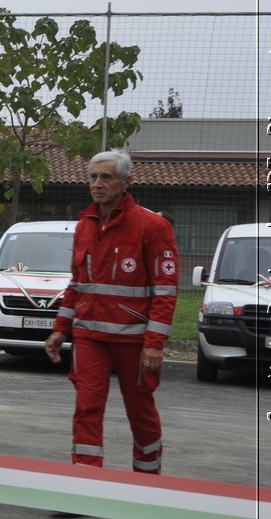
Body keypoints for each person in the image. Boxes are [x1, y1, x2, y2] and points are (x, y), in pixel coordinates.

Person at [45, 149, 177, 475]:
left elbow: (166, 290)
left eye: (106, 177)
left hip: (134, 341)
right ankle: (85, 482)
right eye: (92, 177)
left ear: (126, 182)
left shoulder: (153, 226)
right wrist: (61, 328)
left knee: (140, 411)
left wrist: (155, 343)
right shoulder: (84, 226)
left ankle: (147, 479)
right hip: (90, 337)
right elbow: (78, 284)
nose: (98, 184)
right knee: (86, 410)